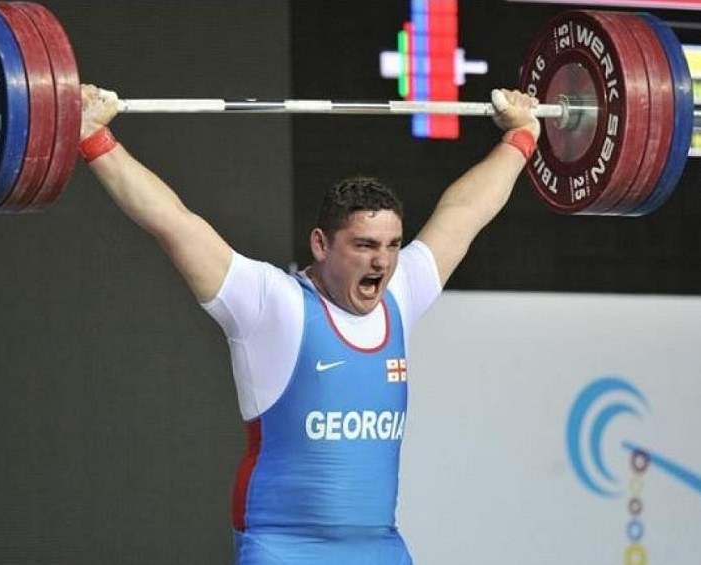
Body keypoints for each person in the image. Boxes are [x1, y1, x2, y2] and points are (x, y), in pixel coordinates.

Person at [79, 84, 540, 565]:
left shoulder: (403, 290)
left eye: (392, 245)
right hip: (285, 549)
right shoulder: (271, 303)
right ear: (321, 244)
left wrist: (521, 137)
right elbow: (174, 222)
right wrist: (95, 139)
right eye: (364, 245)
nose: (382, 262)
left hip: (379, 548)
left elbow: (464, 212)